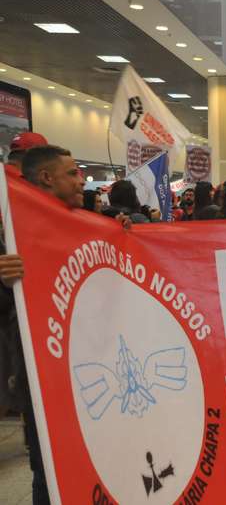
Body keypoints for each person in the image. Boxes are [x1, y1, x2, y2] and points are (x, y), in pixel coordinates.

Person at [2, 145, 129, 505]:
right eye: (73, 173)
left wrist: (120, 238)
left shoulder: (84, 224)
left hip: (90, 365)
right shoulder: (12, 233)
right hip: (44, 376)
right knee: (50, 467)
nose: (81, 180)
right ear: (46, 178)